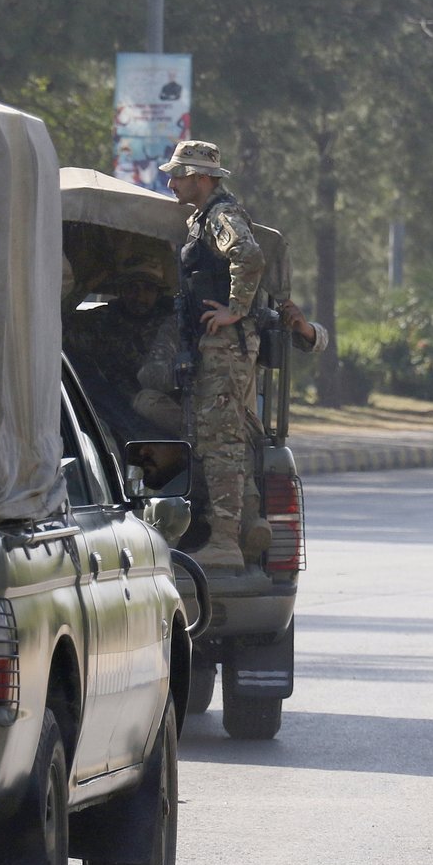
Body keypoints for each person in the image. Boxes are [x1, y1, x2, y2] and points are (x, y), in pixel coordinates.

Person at [161, 140, 265, 572]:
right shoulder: (204, 218)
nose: (172, 183)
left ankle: (225, 541)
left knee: (221, 440)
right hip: (216, 346)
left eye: (180, 175)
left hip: (226, 347)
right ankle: (239, 526)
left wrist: (235, 310)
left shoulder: (221, 215)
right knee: (221, 436)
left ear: (202, 178)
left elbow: (249, 255)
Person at [64, 260, 178, 442]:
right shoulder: (100, 321)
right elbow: (56, 321)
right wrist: (85, 287)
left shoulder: (173, 324)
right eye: (132, 288)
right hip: (111, 416)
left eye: (148, 289)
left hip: (163, 415)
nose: (140, 297)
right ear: (121, 291)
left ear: (158, 293)